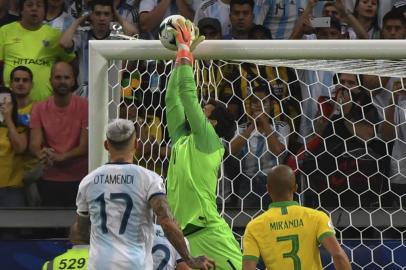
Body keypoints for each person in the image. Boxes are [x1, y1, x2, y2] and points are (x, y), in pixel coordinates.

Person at [72, 118, 215, 270]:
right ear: (136, 144)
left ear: (106, 145)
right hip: (134, 264)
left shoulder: (88, 181)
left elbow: (80, 230)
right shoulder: (149, 179)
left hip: (99, 264)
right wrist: (191, 260)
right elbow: (166, 222)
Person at [165, 19, 242, 269]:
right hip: (181, 239)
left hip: (210, 234)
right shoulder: (182, 140)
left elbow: (188, 94)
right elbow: (172, 98)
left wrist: (185, 48)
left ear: (214, 123)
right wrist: (180, 57)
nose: (197, 113)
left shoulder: (210, 140)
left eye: (203, 111)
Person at [242, 165, 352, 270]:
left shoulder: (254, 226)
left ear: (268, 189)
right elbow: (338, 255)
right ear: (295, 187)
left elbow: (248, 267)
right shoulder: (317, 217)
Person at [29, 61, 88, 207]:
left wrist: (61, 156)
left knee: (77, 228)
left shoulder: (85, 106)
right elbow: (34, 144)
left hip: (80, 178)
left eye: (66, 77)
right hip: (49, 179)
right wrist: (41, 153)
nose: (62, 81)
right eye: (58, 77)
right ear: (50, 80)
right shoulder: (39, 108)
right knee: (48, 227)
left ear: (74, 80)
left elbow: (85, 146)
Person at [0, 0, 76, 101]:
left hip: (45, 105)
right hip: (10, 104)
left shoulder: (54, 35)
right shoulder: (5, 31)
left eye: (39, 5)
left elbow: (71, 63)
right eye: (29, 5)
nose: (34, 8)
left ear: (44, 11)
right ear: (21, 10)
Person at [230, 86, 290, 209]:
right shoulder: (242, 128)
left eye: (264, 102)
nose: (259, 105)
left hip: (274, 183)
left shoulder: (281, 127)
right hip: (248, 183)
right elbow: (231, 150)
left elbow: (278, 151)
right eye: (255, 102)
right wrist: (252, 127)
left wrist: (265, 124)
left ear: (272, 105)